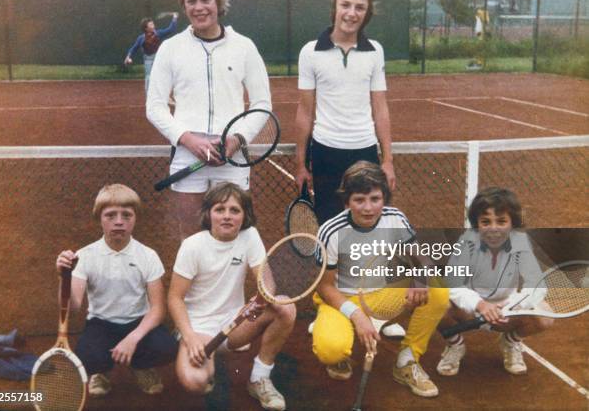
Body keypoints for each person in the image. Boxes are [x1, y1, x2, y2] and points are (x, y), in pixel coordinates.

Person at [146, 0, 272, 242]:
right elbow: (154, 106)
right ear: (184, 5)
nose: (199, 8)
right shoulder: (170, 48)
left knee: (237, 236)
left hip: (232, 158)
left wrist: (236, 140)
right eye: (191, 1)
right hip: (187, 156)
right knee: (191, 239)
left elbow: (262, 103)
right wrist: (190, 141)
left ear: (219, 2)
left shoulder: (244, 46)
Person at [312, 161, 449, 397]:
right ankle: (339, 353)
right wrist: (356, 316)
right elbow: (325, 287)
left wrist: (420, 278)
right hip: (342, 299)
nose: (368, 208)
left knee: (437, 287)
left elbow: (423, 260)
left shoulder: (394, 218)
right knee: (331, 350)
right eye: (359, 200)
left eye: (375, 199)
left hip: (381, 295)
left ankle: (407, 360)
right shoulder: (331, 231)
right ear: (346, 202)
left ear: (384, 198)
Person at [168, 182, 294, 411]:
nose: (227, 216)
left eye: (234, 210)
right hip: (199, 328)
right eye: (220, 209)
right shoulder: (192, 246)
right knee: (197, 383)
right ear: (208, 214)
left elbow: (266, 280)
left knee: (286, 307)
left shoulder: (249, 236)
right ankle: (207, 360)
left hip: (235, 324)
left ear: (244, 215)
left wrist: (263, 298)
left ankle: (259, 378)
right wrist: (189, 337)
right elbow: (175, 298)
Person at [55, 184, 177, 397]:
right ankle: (100, 373)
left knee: (167, 347)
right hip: (101, 324)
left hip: (138, 321)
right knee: (88, 356)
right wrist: (63, 276)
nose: (119, 221)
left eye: (126, 215)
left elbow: (158, 309)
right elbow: (72, 306)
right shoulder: (84, 256)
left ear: (135, 218)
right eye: (110, 215)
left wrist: (133, 338)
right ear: (99, 218)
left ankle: (141, 367)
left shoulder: (148, 256)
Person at [295, 0, 396, 225]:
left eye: (359, 8)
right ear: (335, 7)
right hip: (324, 153)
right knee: (329, 226)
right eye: (345, 5)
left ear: (367, 13)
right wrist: (300, 164)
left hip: (365, 152)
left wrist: (387, 160)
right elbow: (305, 112)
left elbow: (380, 108)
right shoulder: (309, 52)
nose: (351, 13)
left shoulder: (375, 50)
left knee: (366, 226)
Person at [437, 187, 552, 376]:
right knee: (435, 303)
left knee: (546, 315)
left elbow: (537, 285)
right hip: (470, 313)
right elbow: (452, 283)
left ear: (512, 222)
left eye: (501, 221)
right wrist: (480, 304)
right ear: (477, 224)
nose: (493, 228)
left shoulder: (520, 242)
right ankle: (455, 345)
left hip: (506, 313)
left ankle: (511, 341)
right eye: (485, 221)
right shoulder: (467, 242)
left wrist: (511, 304)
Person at [124, 13, 179, 93]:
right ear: (146, 28)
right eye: (151, 24)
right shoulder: (141, 38)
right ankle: (149, 97)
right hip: (148, 60)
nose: (153, 25)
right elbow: (133, 48)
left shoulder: (158, 33)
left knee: (163, 76)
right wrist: (128, 56)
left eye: (153, 23)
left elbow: (171, 29)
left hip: (159, 59)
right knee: (149, 78)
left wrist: (174, 18)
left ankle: (166, 95)